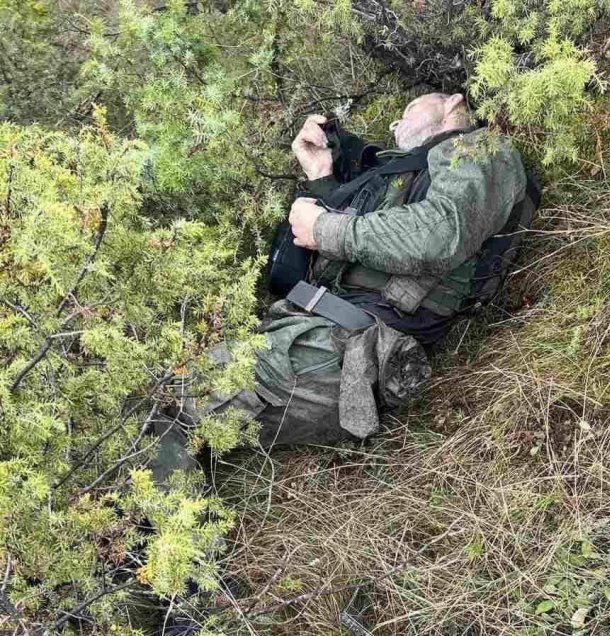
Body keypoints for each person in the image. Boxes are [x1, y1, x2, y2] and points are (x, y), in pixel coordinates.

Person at [152, 92, 529, 480]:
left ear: (452, 104)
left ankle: (148, 534)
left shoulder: (479, 149)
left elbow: (442, 232)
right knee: (166, 403)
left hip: (351, 346)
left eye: (406, 110)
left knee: (167, 405)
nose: (395, 125)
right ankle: (152, 526)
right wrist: (321, 179)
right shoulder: (409, 174)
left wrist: (325, 228)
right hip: (311, 333)